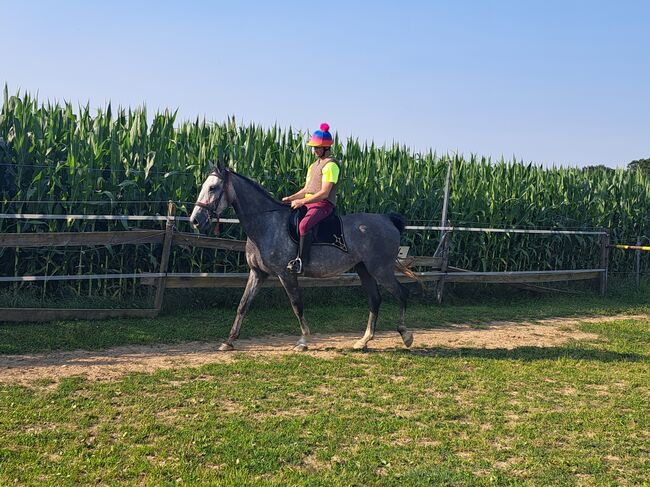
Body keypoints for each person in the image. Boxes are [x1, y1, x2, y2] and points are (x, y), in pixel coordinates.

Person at [282, 123, 341, 274]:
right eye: (314, 148)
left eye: (317, 148)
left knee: (303, 226)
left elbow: (324, 193)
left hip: (323, 205)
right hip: (309, 203)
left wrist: (302, 201)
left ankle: (301, 261)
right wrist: (291, 197)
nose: (314, 150)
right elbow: (306, 189)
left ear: (326, 148)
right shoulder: (313, 166)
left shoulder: (331, 166)